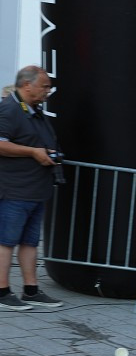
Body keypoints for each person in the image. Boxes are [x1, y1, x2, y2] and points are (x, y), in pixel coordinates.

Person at [0, 66, 64, 309]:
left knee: (29, 242)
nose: (48, 90)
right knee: (6, 242)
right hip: (15, 190)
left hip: (35, 190)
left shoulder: (34, 110)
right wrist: (34, 153)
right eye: (44, 86)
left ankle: (31, 290)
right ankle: (2, 292)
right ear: (27, 85)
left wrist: (46, 152)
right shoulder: (9, 110)